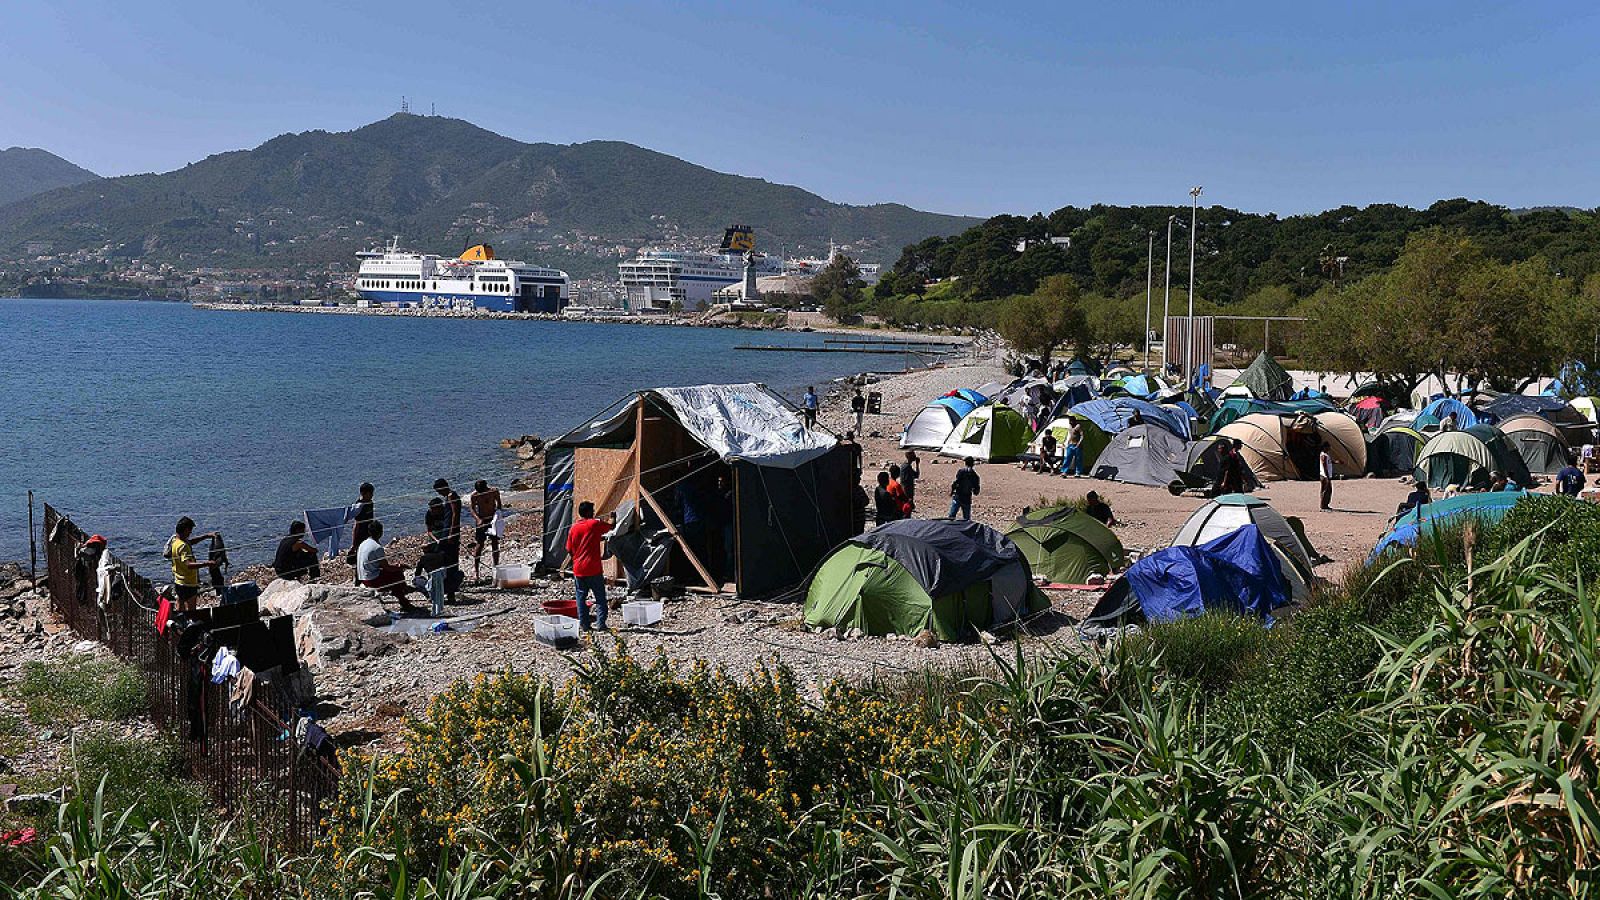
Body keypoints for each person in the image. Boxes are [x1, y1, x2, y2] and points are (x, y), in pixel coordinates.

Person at [566, 501, 610, 632]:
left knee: (580, 598)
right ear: (589, 512)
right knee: (600, 598)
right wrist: (613, 518)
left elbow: (569, 549)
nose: (594, 512)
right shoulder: (594, 524)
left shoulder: (573, 528)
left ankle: (584, 625)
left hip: (578, 569)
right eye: (593, 510)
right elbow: (611, 527)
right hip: (593, 568)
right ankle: (601, 624)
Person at [166, 517, 220, 612]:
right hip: (189, 583)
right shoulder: (183, 546)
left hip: (178, 581)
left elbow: (191, 542)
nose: (190, 533)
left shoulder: (175, 541)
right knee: (191, 609)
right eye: (190, 531)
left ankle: (180, 622)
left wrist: (207, 536)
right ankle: (191, 622)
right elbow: (189, 565)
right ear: (186, 529)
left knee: (180, 604)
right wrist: (207, 563)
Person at [355, 521, 414, 603]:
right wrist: (400, 567)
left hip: (362, 577)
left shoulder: (363, 543)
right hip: (371, 580)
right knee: (397, 575)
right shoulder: (377, 547)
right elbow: (387, 567)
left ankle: (400, 590)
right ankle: (403, 601)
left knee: (393, 572)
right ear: (381, 532)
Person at [469, 479, 504, 582]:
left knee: (495, 542)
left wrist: (498, 515)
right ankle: (476, 572)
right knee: (479, 545)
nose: (481, 493)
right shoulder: (475, 495)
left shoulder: (494, 491)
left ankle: (496, 567)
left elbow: (499, 504)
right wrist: (478, 519)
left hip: (492, 519)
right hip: (482, 520)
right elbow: (471, 508)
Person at [346, 482, 375, 572]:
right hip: (361, 533)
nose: (372, 495)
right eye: (370, 493)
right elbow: (357, 524)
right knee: (360, 552)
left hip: (370, 531)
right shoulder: (359, 506)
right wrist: (354, 542)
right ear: (364, 493)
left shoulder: (370, 503)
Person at [1318, 442, 1334, 511]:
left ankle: (1326, 505)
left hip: (1326, 475)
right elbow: (1324, 465)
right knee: (1325, 490)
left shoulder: (1326, 455)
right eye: (1328, 447)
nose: (1329, 448)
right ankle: (1323, 506)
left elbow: (1328, 463)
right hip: (1325, 476)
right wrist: (1327, 476)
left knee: (1328, 490)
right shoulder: (1323, 455)